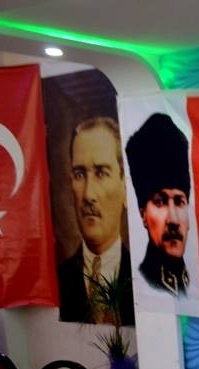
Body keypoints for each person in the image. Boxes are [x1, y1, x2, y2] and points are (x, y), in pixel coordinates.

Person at [58, 117, 135, 325]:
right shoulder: (58, 280)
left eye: (101, 173)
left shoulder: (144, 279)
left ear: (125, 186)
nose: (88, 194)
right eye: (79, 174)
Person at [125, 112, 192, 297]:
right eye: (160, 202)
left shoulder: (192, 284)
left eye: (179, 201)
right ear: (143, 214)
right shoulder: (143, 282)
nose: (173, 220)